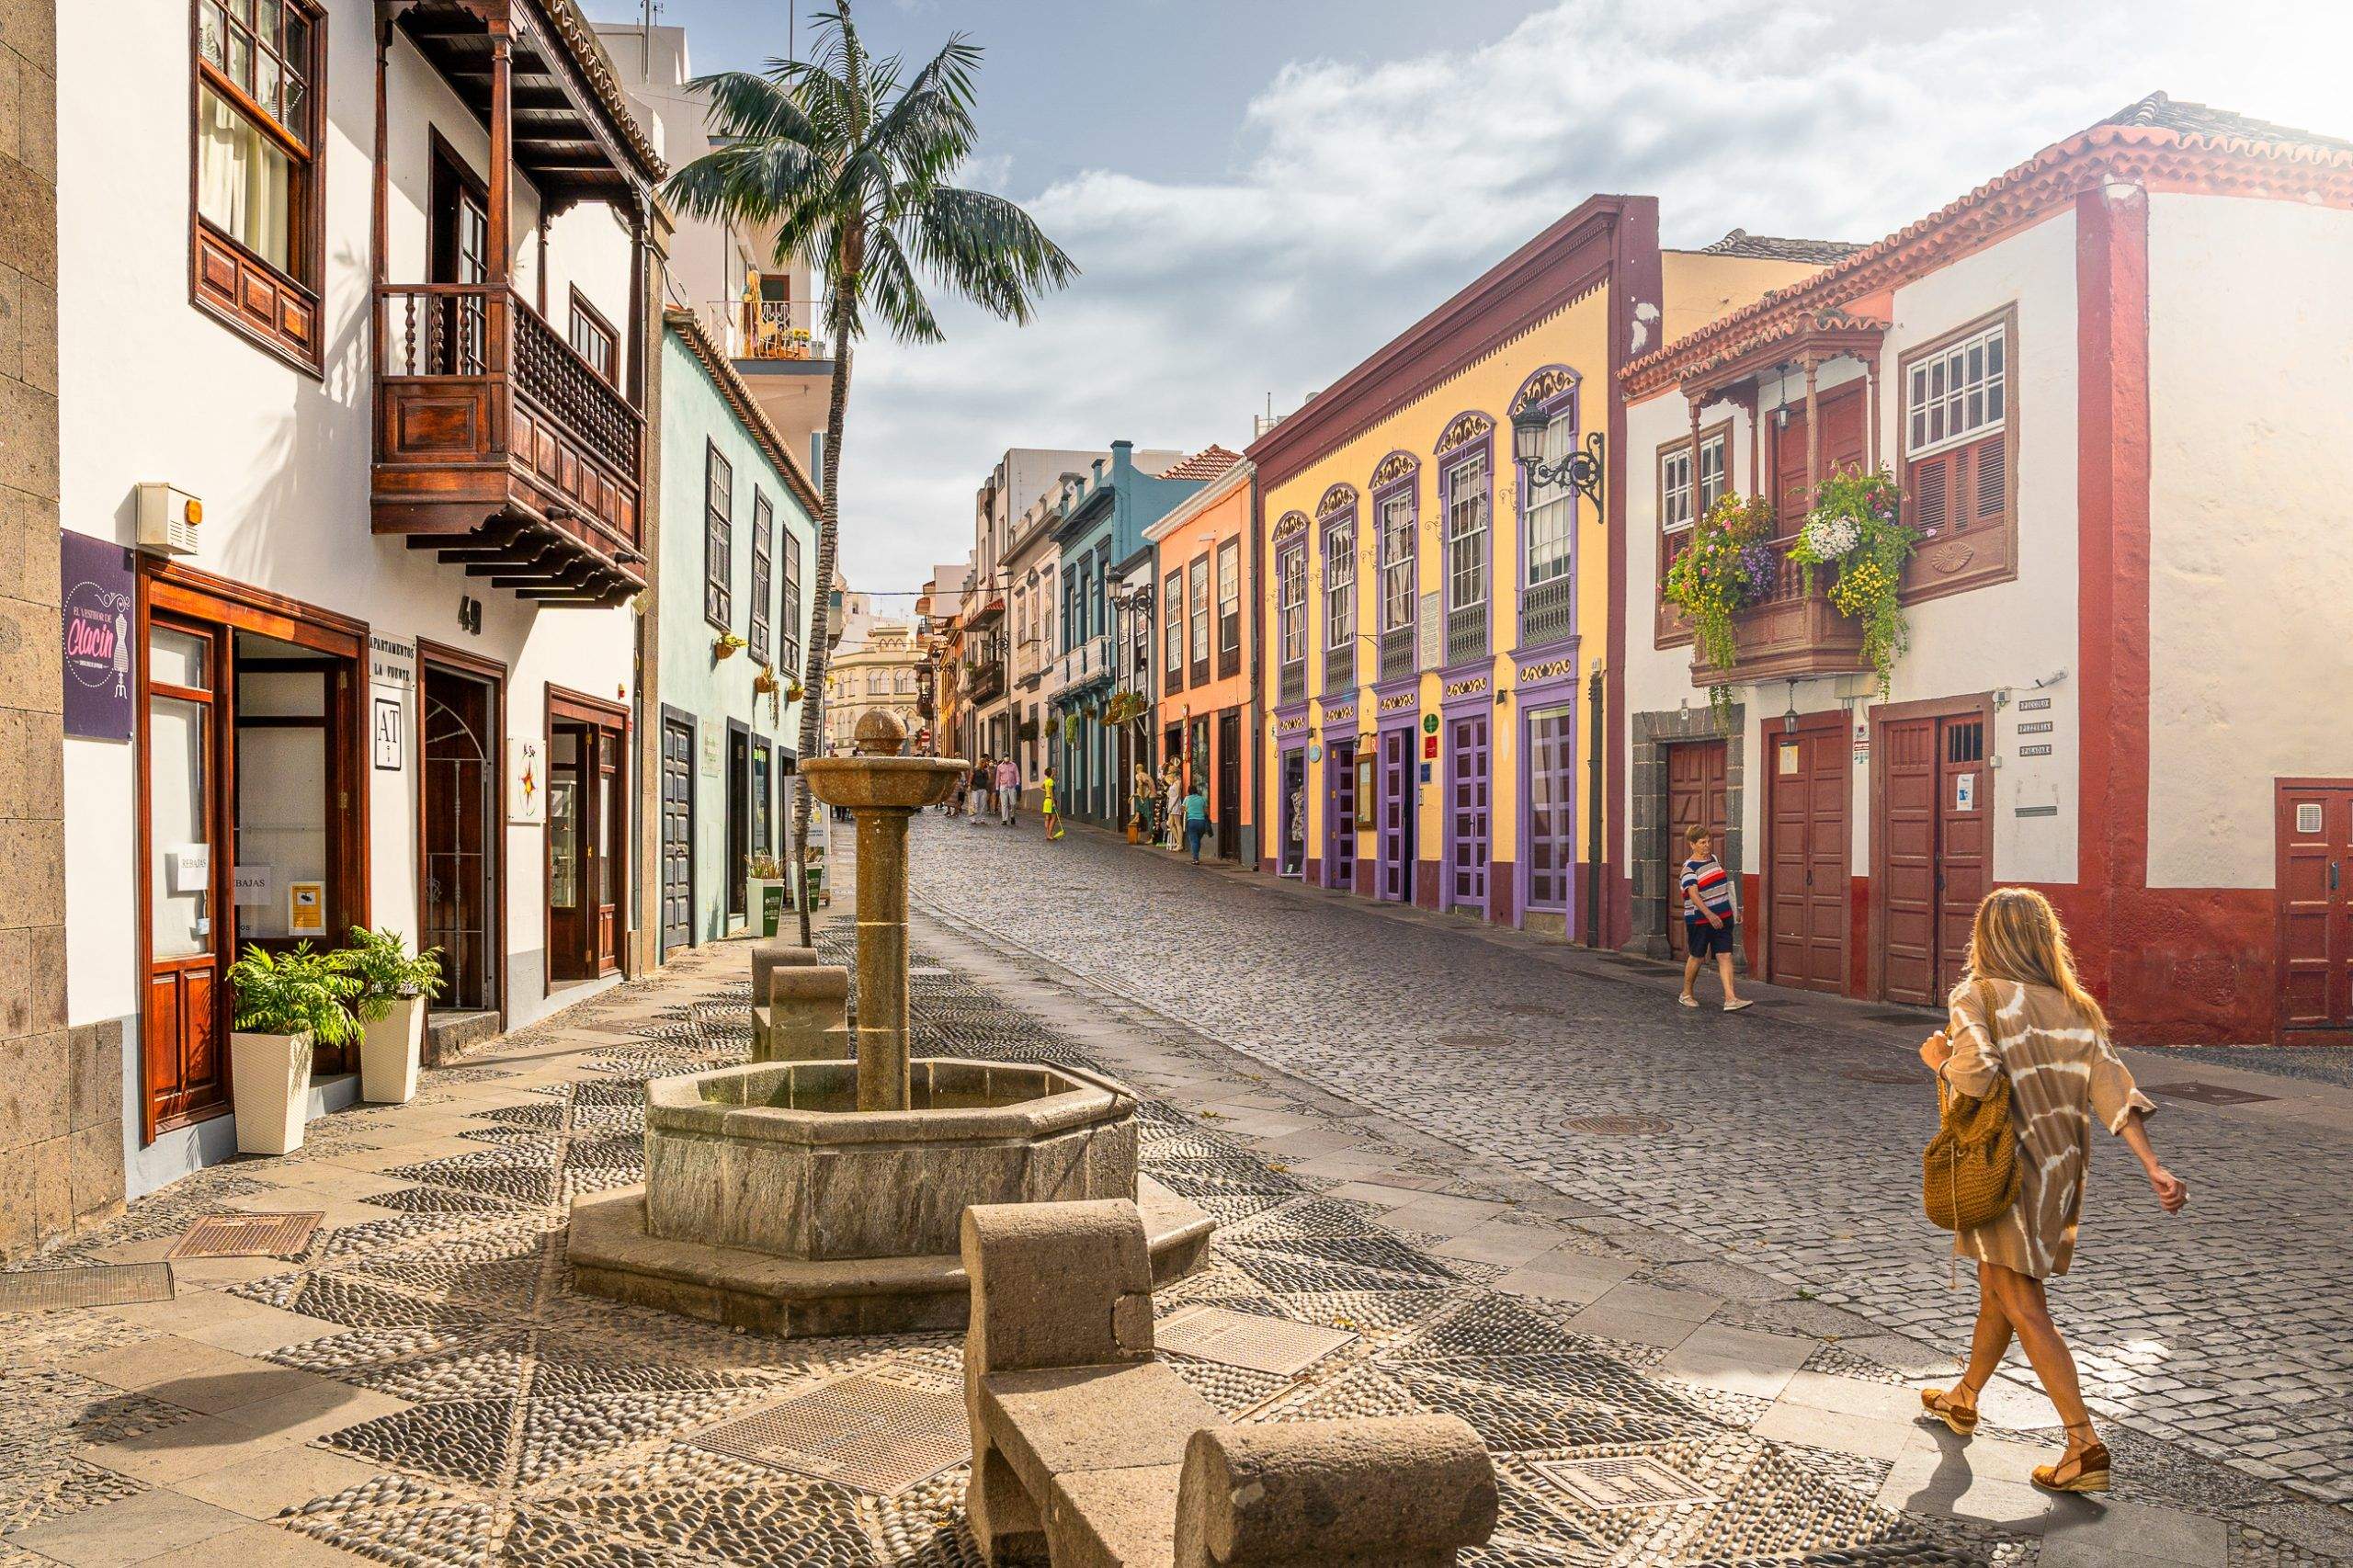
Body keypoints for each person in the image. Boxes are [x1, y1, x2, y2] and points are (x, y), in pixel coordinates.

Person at [1916, 887, 2187, 1495]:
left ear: (1985, 937)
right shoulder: (2075, 1006)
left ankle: (2083, 1444)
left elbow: (1976, 1074)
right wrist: (2153, 1165)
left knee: (2021, 1298)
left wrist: (1939, 1061)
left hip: (2002, 1166)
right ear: (2046, 938)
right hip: (2058, 1170)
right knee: (1999, 1287)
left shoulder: (1975, 995)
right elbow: (2113, 1086)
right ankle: (1964, 1397)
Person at [1677, 824, 1752, 1012]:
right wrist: (1709, 915)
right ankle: (1686, 993)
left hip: (1723, 917)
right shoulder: (1688, 869)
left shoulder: (1715, 860)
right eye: (1702, 842)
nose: (1707, 845)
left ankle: (1730, 998)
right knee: (1697, 956)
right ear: (1692, 844)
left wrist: (1735, 910)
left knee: (1725, 955)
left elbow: (1726, 887)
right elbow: (1693, 894)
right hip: (1700, 920)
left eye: (1708, 841)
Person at [1182, 779, 1211, 864]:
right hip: (1201, 822)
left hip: (1192, 821)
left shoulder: (1187, 798)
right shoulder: (1202, 799)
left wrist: (1187, 810)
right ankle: (1196, 856)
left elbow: (1182, 808)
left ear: (1189, 791)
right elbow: (1206, 811)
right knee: (1197, 840)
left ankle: (1196, 859)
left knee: (1194, 840)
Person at [968, 756, 993, 824]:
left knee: (983, 804)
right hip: (976, 788)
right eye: (984, 763)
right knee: (975, 803)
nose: (985, 764)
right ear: (981, 763)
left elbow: (989, 779)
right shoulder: (975, 770)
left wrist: (988, 770)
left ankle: (982, 818)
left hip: (983, 789)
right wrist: (969, 785)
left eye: (985, 763)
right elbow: (971, 777)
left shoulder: (985, 771)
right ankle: (973, 818)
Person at [995, 756, 1018, 825]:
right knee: (1004, 803)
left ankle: (1012, 816)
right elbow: (998, 777)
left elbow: (1017, 775)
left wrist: (1018, 783)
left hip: (1012, 786)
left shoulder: (1014, 765)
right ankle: (1004, 819)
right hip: (1003, 786)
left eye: (1007, 756)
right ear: (1003, 758)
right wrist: (997, 787)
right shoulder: (1000, 766)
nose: (1006, 758)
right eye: (1005, 757)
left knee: (1013, 803)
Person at [1042, 767, 1063, 840]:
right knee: (1054, 818)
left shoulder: (1046, 780)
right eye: (1053, 770)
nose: (1054, 771)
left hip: (1046, 800)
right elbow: (1051, 793)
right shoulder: (1051, 781)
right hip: (1050, 801)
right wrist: (1054, 803)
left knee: (1047, 818)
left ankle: (1048, 834)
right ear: (1051, 773)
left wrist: (1046, 791)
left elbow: (1041, 787)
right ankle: (1049, 834)